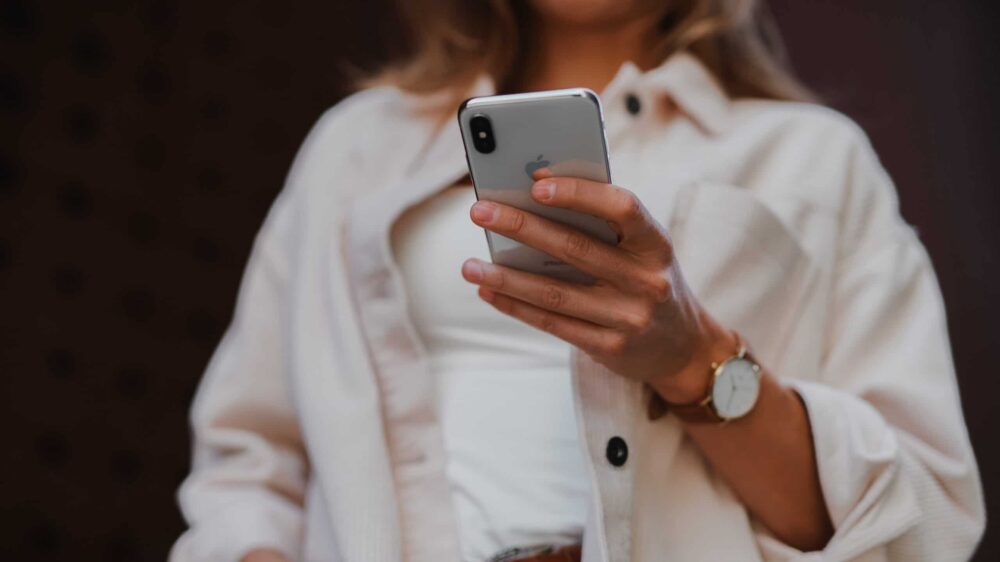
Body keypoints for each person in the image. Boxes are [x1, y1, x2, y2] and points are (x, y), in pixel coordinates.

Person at [170, 1, 985, 561]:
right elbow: (248, 459)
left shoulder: (811, 159)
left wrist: (690, 356)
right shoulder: (355, 149)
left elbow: (920, 520)